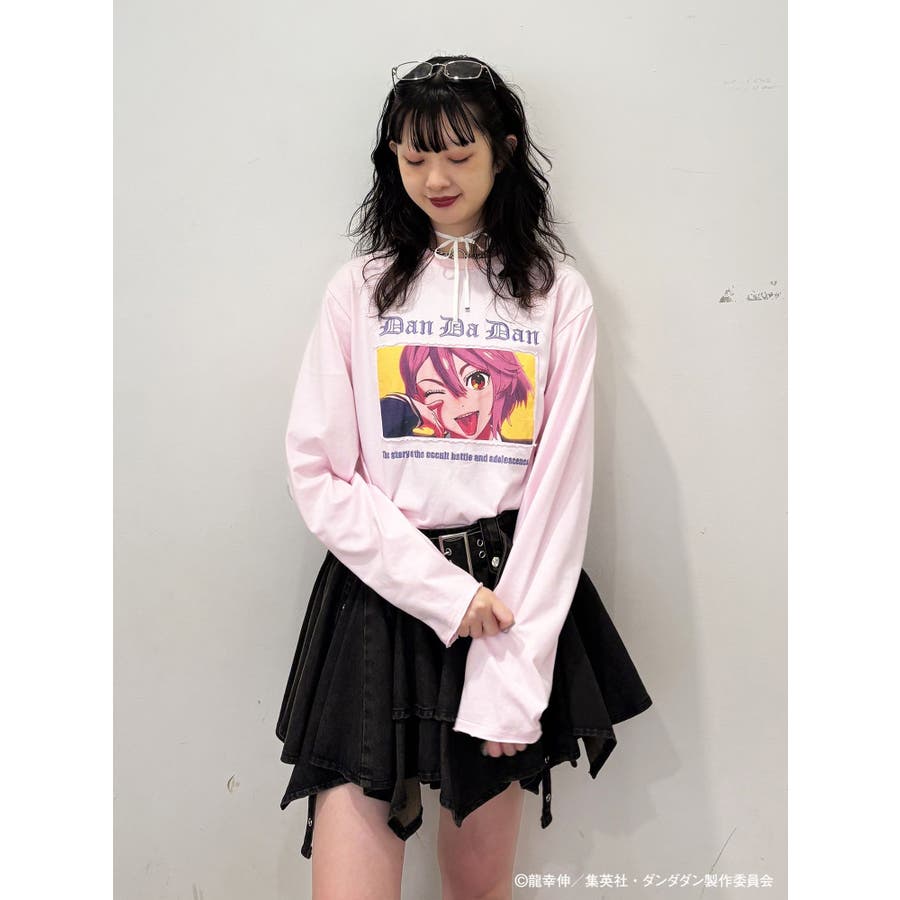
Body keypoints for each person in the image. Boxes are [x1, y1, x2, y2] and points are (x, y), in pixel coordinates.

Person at [275, 54, 653, 899]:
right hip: (381, 593)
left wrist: (512, 680)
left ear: (504, 151)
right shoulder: (360, 290)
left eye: (458, 154)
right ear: (392, 160)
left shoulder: (554, 295)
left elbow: (559, 492)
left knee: (479, 887)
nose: (436, 178)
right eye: (415, 158)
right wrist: (441, 594)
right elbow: (320, 469)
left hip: (507, 603)